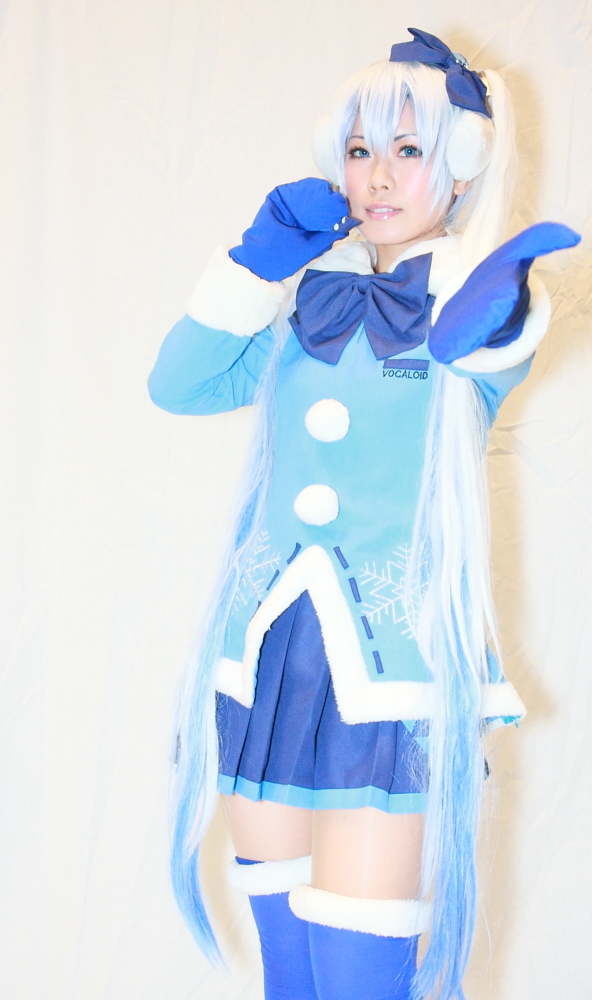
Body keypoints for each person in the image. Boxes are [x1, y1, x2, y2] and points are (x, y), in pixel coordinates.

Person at [148, 28, 579, 1000]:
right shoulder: (302, 309)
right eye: (357, 149)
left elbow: (488, 345)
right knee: (290, 974)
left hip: (392, 669)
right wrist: (255, 265)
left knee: (359, 973)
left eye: (408, 149)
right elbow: (177, 385)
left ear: (460, 166)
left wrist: (500, 291)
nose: (377, 175)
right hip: (266, 655)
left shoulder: (472, 303)